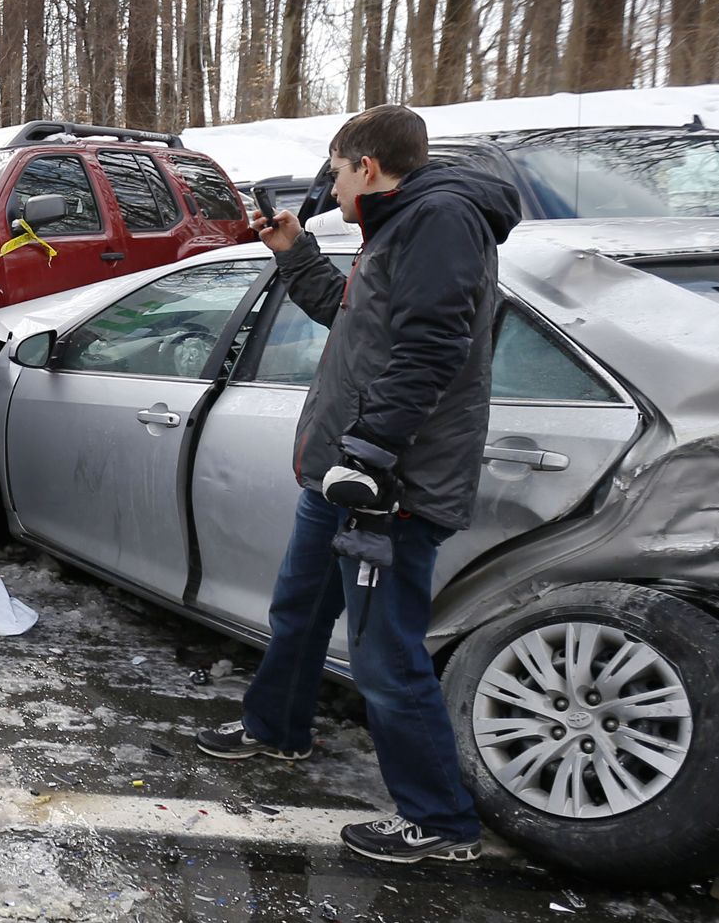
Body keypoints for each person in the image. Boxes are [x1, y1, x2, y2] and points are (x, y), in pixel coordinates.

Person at [194, 104, 520, 863]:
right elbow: (358, 327)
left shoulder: (439, 221)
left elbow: (433, 348)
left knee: (384, 652)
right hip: (347, 472)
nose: (331, 186)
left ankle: (440, 821)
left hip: (389, 484)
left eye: (336, 171)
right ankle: (275, 729)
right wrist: (295, 253)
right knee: (300, 607)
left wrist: (370, 452)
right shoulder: (402, 224)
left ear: (366, 167)